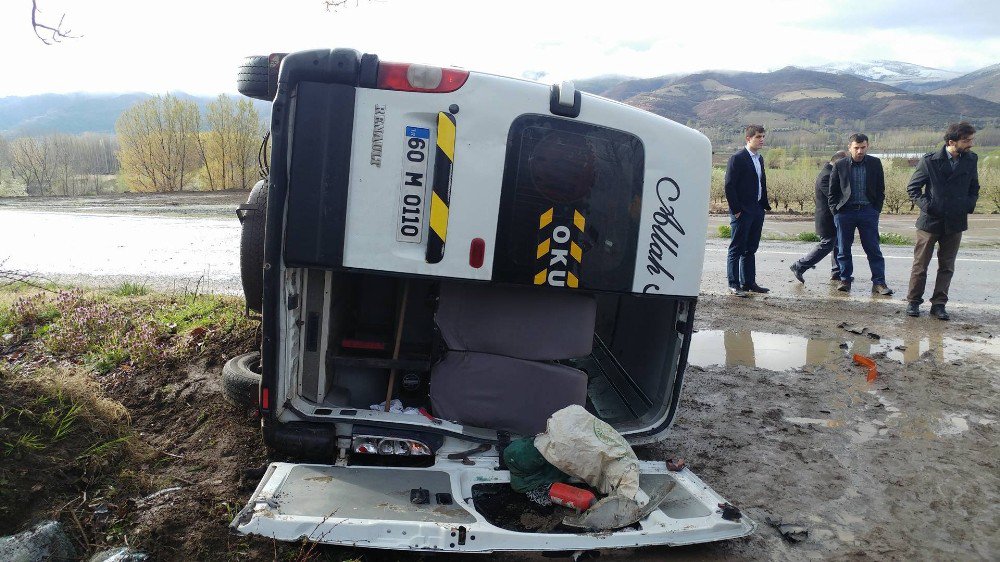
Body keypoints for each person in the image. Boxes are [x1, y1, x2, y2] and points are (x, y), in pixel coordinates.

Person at [904, 122, 980, 320]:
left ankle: (939, 304)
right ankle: (913, 302)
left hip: (955, 222)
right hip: (930, 222)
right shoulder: (929, 161)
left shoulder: (971, 159)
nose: (970, 144)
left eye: (971, 140)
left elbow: (974, 187)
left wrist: (966, 206)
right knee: (921, 265)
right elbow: (913, 188)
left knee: (947, 266)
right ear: (951, 141)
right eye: (966, 140)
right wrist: (929, 207)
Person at [827, 133, 893, 295]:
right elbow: (832, 192)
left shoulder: (875, 163)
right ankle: (845, 280)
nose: (860, 151)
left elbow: (880, 189)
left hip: (867, 212)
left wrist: (875, 210)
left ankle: (879, 282)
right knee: (843, 249)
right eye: (856, 148)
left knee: (873, 248)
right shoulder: (840, 165)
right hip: (845, 212)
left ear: (867, 146)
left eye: (863, 147)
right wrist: (836, 211)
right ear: (850, 147)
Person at [724, 124, 771, 297]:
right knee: (736, 248)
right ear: (748, 138)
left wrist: (763, 205)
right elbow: (729, 186)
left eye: (763, 136)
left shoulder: (759, 158)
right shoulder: (737, 158)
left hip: (757, 209)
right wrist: (736, 210)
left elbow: (761, 182)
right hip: (742, 211)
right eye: (758, 136)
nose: (762, 140)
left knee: (751, 248)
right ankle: (734, 284)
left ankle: (749, 282)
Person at [790, 150, 848, 283]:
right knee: (827, 244)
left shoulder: (831, 173)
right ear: (838, 162)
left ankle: (836, 272)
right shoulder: (826, 176)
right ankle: (799, 265)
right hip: (826, 219)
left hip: (831, 217)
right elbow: (834, 197)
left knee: (837, 244)